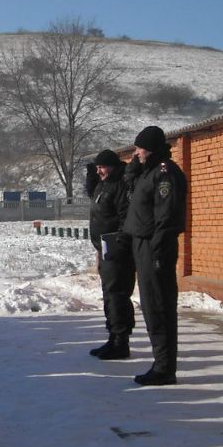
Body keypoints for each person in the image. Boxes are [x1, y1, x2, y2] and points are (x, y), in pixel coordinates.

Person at [122, 125, 188, 386]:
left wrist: (158, 252)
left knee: (159, 307)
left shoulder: (165, 174)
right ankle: (160, 364)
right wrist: (135, 167)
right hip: (143, 245)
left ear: (150, 149)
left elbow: (167, 216)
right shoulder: (147, 172)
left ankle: (164, 368)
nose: (135, 153)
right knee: (151, 307)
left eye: (139, 149)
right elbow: (130, 187)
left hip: (154, 247)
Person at [84, 149, 137, 360]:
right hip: (104, 248)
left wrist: (121, 243)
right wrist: (91, 171)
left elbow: (126, 216)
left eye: (102, 167)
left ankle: (121, 341)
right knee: (109, 294)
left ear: (113, 166)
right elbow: (92, 193)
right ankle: (112, 337)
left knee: (117, 295)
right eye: (97, 168)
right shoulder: (104, 184)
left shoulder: (122, 185)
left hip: (116, 249)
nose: (99, 171)